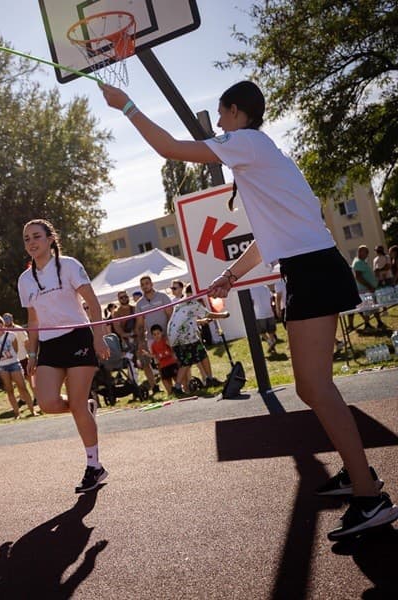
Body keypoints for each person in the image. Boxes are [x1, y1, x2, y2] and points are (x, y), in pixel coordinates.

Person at [101, 79, 397, 539]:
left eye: (220, 114)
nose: (217, 123)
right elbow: (267, 240)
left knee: (315, 388)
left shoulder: (246, 143)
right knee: (313, 387)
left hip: (314, 271)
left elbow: (168, 148)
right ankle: (360, 475)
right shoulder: (262, 156)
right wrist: (230, 275)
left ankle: (370, 494)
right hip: (310, 269)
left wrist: (127, 106)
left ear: (237, 112)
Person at [18, 219, 111, 494]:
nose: (31, 242)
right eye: (26, 239)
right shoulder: (25, 279)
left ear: (50, 239)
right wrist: (32, 353)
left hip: (78, 336)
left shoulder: (69, 265)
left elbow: (93, 303)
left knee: (78, 405)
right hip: (49, 345)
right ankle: (85, 407)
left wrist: (98, 336)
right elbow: (32, 320)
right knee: (46, 402)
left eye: (36, 236)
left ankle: (94, 466)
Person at [167, 286, 227, 393]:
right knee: (201, 355)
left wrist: (201, 321)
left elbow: (186, 320)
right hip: (185, 336)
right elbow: (209, 314)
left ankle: (177, 387)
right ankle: (209, 378)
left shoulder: (181, 302)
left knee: (185, 362)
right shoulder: (193, 303)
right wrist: (223, 315)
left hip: (175, 337)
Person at [0, 315, 35, 419]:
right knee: (9, 390)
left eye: (0, 322)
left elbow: (15, 349)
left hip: (14, 363)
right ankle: (16, 413)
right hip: (2, 367)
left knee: (23, 387)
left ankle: (32, 410)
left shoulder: (11, 335)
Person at [134, 276, 173, 394]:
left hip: (167, 335)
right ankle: (169, 391)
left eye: (147, 283)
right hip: (152, 339)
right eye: (143, 284)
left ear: (152, 284)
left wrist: (169, 334)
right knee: (160, 364)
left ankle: (181, 386)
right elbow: (140, 324)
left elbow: (170, 315)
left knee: (174, 360)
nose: (145, 286)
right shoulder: (140, 304)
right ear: (141, 287)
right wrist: (141, 341)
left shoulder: (163, 297)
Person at [350, 245, 387, 330]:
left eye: (367, 252)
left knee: (374, 307)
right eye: (365, 252)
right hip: (366, 290)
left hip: (369, 290)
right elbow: (358, 277)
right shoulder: (358, 262)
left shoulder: (361, 262)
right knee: (368, 308)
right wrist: (369, 286)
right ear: (360, 252)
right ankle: (367, 325)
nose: (367, 254)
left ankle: (379, 322)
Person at [3, 312, 34, 396]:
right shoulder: (4, 332)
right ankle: (23, 398)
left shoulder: (18, 329)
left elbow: (26, 342)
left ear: (12, 319)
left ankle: (36, 397)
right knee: (18, 382)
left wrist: (30, 356)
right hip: (13, 360)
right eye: (5, 319)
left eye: (8, 318)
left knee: (30, 379)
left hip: (23, 357)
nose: (7, 320)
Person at [147, 324, 179, 396]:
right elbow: (155, 355)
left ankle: (179, 388)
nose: (157, 336)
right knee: (167, 379)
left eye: (158, 333)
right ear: (152, 336)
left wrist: (170, 345)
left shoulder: (165, 341)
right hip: (163, 365)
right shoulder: (153, 345)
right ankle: (170, 392)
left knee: (175, 377)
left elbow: (173, 350)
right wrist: (148, 355)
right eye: (154, 334)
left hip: (172, 363)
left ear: (161, 333)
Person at [249, 286, 278, 353]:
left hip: (259, 314)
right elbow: (271, 298)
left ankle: (270, 342)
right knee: (271, 331)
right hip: (269, 312)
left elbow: (252, 302)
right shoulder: (265, 287)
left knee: (261, 332)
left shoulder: (251, 289)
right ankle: (272, 342)